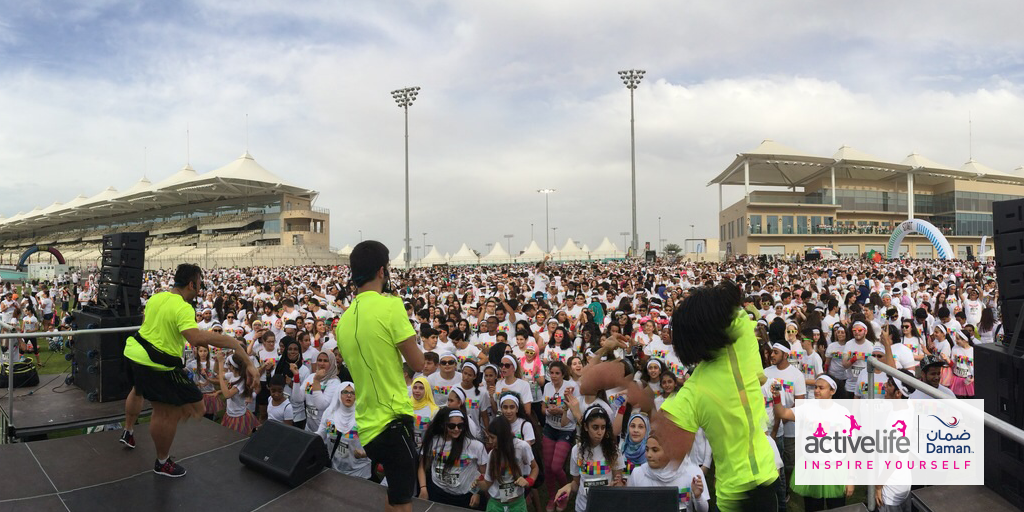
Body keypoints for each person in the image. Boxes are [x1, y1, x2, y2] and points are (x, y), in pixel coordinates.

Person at [121, 263, 258, 478]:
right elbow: (196, 339)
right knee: (182, 410)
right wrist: (232, 342)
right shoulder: (183, 306)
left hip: (133, 352)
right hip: (157, 363)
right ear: (192, 284)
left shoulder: (157, 297)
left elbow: (149, 325)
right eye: (200, 284)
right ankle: (162, 462)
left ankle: (128, 431)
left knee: (138, 390)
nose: (200, 289)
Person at [337, 241, 425, 512]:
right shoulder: (391, 306)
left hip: (367, 426)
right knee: (403, 503)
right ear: (381, 271)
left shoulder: (343, 321)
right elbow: (418, 362)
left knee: (393, 496)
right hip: (392, 421)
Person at [554, 405, 625, 512]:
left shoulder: (613, 451)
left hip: (607, 506)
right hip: (583, 507)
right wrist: (568, 488)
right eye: (595, 427)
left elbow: (618, 482)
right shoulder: (576, 450)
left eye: (603, 427)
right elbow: (576, 483)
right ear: (586, 427)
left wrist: (615, 487)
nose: (600, 432)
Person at [418, 407, 488, 508]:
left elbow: (483, 473)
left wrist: (476, 493)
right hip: (438, 493)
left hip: (465, 496)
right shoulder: (433, 441)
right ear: (443, 425)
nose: (456, 429)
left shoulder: (475, 446)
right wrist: (423, 488)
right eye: (452, 426)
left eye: (460, 426)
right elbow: (422, 466)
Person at [627, 433, 710, 512]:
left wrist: (698, 496)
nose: (649, 455)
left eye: (655, 450)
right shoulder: (637, 474)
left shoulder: (693, 473)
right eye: (647, 449)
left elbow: (703, 510)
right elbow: (628, 506)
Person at [481, 415, 539, 512]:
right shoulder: (492, 454)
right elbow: (488, 482)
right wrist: (476, 484)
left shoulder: (522, 447)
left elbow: (534, 468)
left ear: (503, 436)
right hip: (496, 505)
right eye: (489, 437)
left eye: (492, 437)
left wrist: (529, 481)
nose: (490, 441)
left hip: (517, 505)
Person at [318, 381, 371, 478]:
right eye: (345, 392)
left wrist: (364, 454)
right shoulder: (330, 413)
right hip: (335, 468)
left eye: (353, 393)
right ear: (339, 394)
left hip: (359, 472)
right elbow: (319, 435)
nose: (349, 395)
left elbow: (376, 445)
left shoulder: (363, 417)